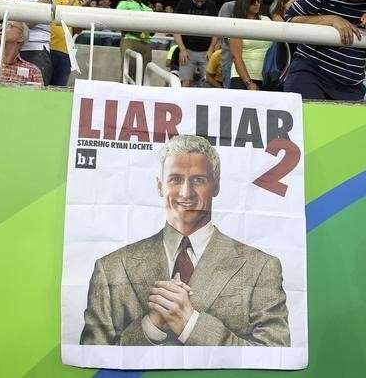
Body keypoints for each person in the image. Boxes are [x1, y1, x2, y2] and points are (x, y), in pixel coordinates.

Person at [80, 135, 290, 347]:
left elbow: (274, 356)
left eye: (198, 180)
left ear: (216, 186)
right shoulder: (110, 268)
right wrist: (149, 328)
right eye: (175, 179)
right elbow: (93, 363)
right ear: (160, 186)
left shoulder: (261, 267)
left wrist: (190, 325)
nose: (186, 192)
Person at [6, 0, 54, 82]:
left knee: (35, 98)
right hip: (17, 52)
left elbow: (41, 12)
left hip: (35, 51)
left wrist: (13, 26)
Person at [216, 0, 258, 88]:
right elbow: (226, 37)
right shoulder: (228, 7)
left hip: (254, 64)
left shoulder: (257, 8)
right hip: (231, 61)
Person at [229, 0, 272, 90]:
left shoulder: (266, 20)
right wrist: (248, 83)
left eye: (259, 0)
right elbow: (236, 57)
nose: (257, 4)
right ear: (244, 2)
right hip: (242, 80)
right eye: (252, 1)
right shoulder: (236, 24)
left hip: (266, 78)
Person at [174, 0, 218, 87]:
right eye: (197, 1)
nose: (199, 4)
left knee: (209, 83)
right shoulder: (183, 3)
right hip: (187, 50)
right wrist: (182, 49)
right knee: (185, 83)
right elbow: (175, 28)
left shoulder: (211, 5)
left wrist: (212, 47)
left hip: (206, 51)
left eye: (202, 1)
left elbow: (216, 29)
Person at [44, 0, 79, 86]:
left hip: (65, 53)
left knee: (57, 94)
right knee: (39, 90)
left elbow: (76, 30)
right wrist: (64, 11)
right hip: (44, 50)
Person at [0, 20, 43, 85]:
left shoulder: (33, 71)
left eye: (9, 25)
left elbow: (39, 95)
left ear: (21, 37)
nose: (1, 28)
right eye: (0, 26)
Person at [117, 0, 154, 74]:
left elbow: (152, 31)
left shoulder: (149, 9)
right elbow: (118, 22)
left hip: (146, 43)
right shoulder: (124, 4)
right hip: (130, 40)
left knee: (145, 73)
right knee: (128, 71)